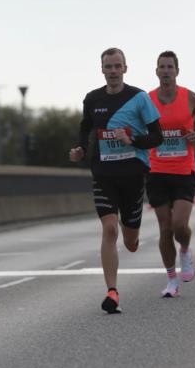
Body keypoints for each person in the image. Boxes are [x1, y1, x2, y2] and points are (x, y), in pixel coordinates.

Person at [69, 47, 163, 314]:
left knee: (130, 242)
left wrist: (132, 139)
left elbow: (157, 137)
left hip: (133, 175)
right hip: (104, 175)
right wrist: (81, 149)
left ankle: (131, 234)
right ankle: (112, 291)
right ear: (102, 69)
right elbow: (85, 127)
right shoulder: (92, 99)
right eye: (108, 67)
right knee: (109, 229)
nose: (112, 71)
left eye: (117, 66)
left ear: (125, 68)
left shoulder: (140, 98)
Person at [147, 51, 195, 298]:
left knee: (179, 226)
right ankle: (171, 280)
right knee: (165, 228)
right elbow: (136, 126)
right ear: (156, 71)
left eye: (170, 67)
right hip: (156, 170)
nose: (166, 71)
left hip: (184, 170)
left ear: (177, 71)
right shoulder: (147, 100)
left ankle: (185, 250)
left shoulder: (190, 97)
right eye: (162, 67)